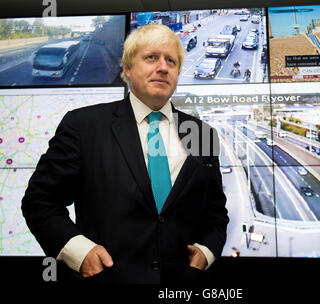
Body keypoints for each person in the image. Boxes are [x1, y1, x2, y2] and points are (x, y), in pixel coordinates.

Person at [21, 24, 229, 284]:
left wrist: (206, 252)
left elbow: (216, 213)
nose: (162, 67)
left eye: (171, 61)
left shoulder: (202, 134)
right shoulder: (84, 126)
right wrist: (79, 252)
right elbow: (40, 201)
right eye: (151, 57)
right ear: (128, 69)